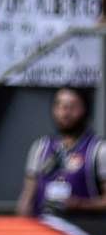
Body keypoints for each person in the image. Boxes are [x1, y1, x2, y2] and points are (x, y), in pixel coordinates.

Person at [17, 87, 106, 216]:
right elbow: (26, 198)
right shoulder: (41, 147)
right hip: (45, 230)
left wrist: (80, 204)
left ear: (86, 109)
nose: (65, 112)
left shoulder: (99, 149)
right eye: (59, 105)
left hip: (83, 231)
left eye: (72, 106)